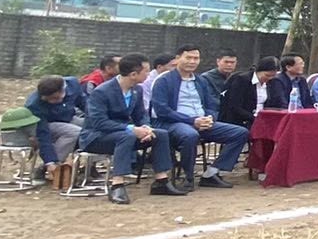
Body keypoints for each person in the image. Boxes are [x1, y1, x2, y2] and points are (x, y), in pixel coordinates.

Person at [150, 45, 250, 189]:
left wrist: (209, 118)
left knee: (240, 133)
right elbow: (162, 110)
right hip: (173, 122)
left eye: (196, 58)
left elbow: (211, 106)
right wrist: (192, 121)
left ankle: (212, 173)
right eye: (188, 58)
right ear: (178, 59)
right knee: (190, 135)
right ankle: (188, 177)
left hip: (201, 122)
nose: (192, 61)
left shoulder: (200, 81)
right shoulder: (164, 80)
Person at [81, 53, 159, 205]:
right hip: (97, 137)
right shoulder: (101, 92)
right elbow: (99, 123)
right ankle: (117, 184)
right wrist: (131, 129)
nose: (149, 74)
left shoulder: (137, 90)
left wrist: (146, 127)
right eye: (146, 71)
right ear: (133, 74)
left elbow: (140, 115)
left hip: (123, 134)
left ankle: (161, 180)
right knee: (126, 136)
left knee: (160, 134)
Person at [25, 75, 83, 165]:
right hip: (49, 123)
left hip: (68, 117)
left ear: (63, 90)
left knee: (92, 127)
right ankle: (56, 164)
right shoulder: (34, 105)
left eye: (55, 98)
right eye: (48, 99)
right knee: (74, 132)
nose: (51, 101)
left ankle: (90, 165)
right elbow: (42, 133)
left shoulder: (73, 84)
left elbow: (85, 104)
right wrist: (50, 161)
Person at [220, 56, 278, 131]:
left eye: (273, 76)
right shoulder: (242, 80)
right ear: (258, 71)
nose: (270, 78)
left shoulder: (271, 83)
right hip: (242, 120)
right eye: (267, 75)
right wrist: (254, 118)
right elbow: (234, 106)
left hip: (262, 119)